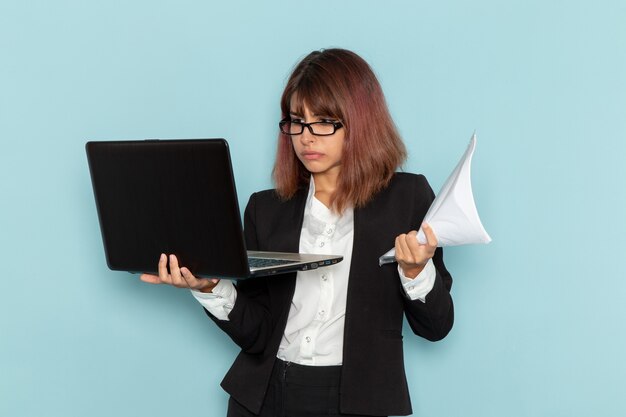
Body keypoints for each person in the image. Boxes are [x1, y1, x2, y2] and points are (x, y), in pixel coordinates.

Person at [140, 48, 454, 417]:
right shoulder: (266, 209)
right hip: (261, 397)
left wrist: (416, 272)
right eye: (295, 121)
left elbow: (436, 327)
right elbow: (257, 334)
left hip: (356, 400)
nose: (306, 137)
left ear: (361, 121)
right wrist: (209, 287)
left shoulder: (407, 198)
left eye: (323, 121)